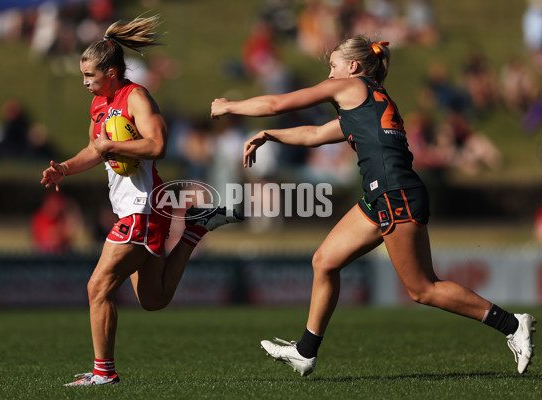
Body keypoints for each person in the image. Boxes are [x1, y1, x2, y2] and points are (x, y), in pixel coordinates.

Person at [211, 36, 536, 377]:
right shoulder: (367, 101)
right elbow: (314, 134)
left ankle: (512, 324)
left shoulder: (350, 87)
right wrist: (268, 135)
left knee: (422, 288)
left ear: (353, 67)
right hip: (384, 195)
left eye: (333, 65)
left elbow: (279, 103)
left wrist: (230, 106)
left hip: (395, 194)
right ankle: (305, 352)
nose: (330, 72)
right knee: (325, 261)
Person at [41, 15, 242, 386]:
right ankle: (195, 229)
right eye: (83, 76)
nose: (85, 82)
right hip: (136, 208)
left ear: (112, 72)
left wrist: (113, 145)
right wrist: (64, 169)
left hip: (143, 207)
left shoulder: (136, 96)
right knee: (153, 298)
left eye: (91, 76)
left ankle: (104, 374)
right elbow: (93, 149)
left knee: (96, 288)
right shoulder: (99, 104)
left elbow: (158, 145)